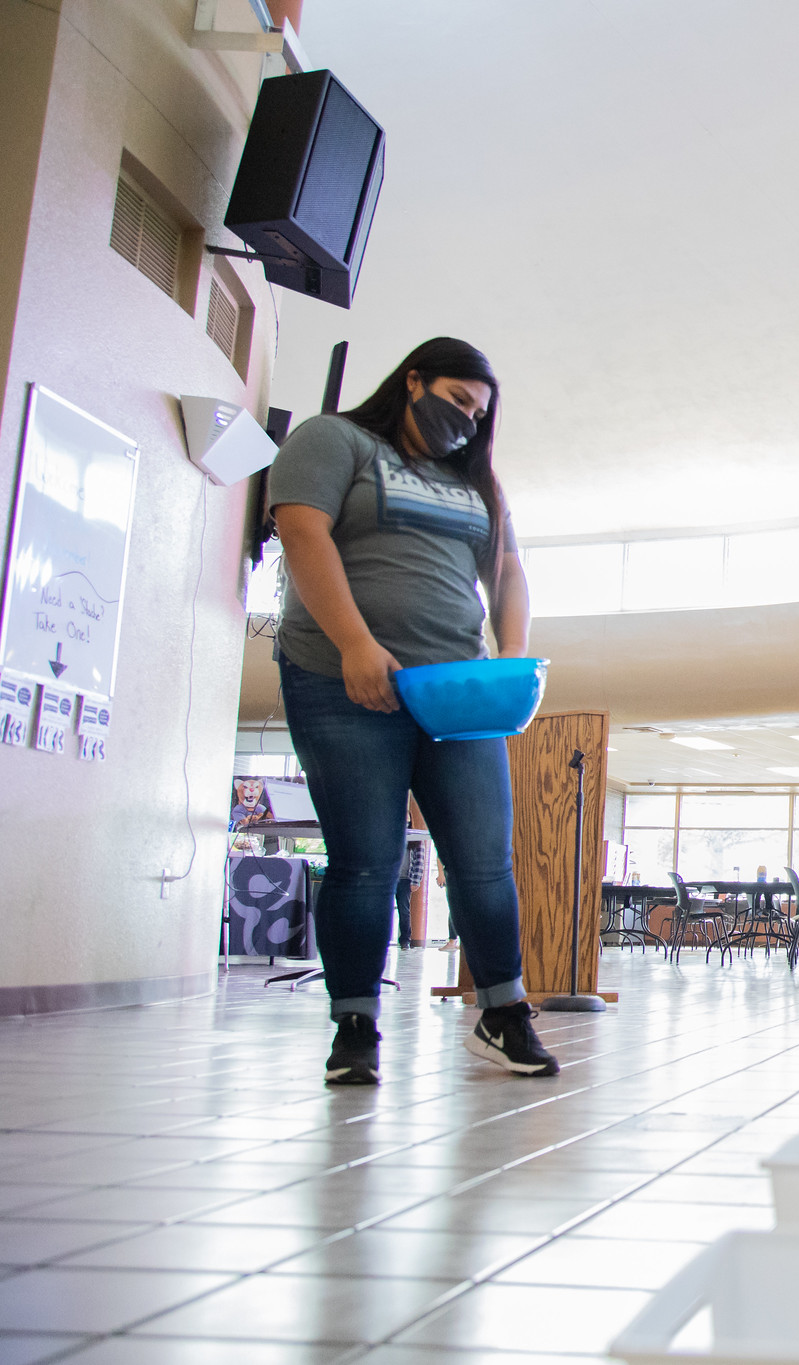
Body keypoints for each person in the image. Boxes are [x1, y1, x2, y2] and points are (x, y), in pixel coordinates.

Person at [268, 337, 556, 1086]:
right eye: (459, 400)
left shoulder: (477, 485)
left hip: (455, 692)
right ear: (415, 379)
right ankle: (354, 1026)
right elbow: (302, 532)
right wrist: (357, 643)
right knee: (368, 861)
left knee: (486, 863)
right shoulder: (335, 441)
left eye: (479, 413)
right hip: (342, 679)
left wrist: (512, 652)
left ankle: (502, 1011)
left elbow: (511, 569)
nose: (467, 420)